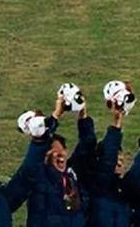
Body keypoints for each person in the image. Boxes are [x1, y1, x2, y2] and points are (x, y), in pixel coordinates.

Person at [26, 96, 96, 227]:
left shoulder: (71, 173)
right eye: (53, 152)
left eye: (61, 150)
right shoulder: (39, 178)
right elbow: (35, 154)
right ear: (44, 157)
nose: (59, 155)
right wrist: (55, 116)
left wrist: (82, 113)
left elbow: (87, 145)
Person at [83, 105, 130, 227]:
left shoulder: (125, 190)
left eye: (121, 160)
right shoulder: (97, 184)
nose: (119, 164)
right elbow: (107, 162)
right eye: (116, 160)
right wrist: (116, 126)